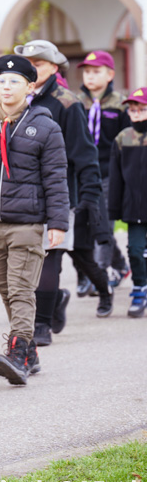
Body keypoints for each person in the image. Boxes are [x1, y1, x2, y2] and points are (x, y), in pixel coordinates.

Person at [0, 55, 69, 384]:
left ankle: (17, 353)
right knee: (5, 289)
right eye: (1, 81)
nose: (7, 87)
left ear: (29, 86)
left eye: (15, 81)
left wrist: (58, 222)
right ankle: (30, 351)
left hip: (27, 221)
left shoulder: (46, 127)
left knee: (21, 289)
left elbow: (56, 178)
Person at [14, 40, 106, 341]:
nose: (31, 70)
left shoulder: (67, 102)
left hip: (57, 192)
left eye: (38, 64)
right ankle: (52, 306)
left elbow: (85, 154)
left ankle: (41, 326)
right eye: (28, 64)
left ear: (54, 68)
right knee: (25, 263)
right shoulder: (16, 98)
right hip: (20, 195)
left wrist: (90, 199)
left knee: (50, 257)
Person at [77, 51, 131, 292]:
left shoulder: (121, 104)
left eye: (96, 71)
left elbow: (128, 141)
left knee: (104, 223)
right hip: (83, 172)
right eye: (87, 71)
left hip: (110, 173)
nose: (90, 76)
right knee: (90, 223)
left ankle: (97, 274)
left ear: (110, 74)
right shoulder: (76, 103)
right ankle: (120, 265)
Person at [108, 87, 147, 317]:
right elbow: (116, 176)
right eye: (133, 110)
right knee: (134, 250)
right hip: (134, 208)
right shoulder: (123, 138)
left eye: (141, 109)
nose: (136, 114)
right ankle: (139, 287)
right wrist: (115, 207)